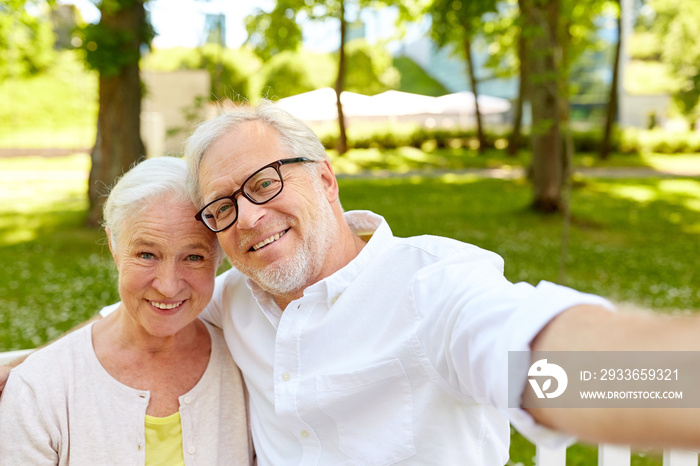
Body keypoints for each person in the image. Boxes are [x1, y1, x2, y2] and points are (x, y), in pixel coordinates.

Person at [2, 101, 699, 464]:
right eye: (224, 207)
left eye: (266, 182)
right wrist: (25, 374)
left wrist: (672, 383)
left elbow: (536, 356)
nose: (249, 217)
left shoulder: (433, 293)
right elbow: (130, 331)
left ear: (326, 177)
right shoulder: (232, 301)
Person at [0, 157, 253, 465]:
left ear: (219, 257)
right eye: (147, 254)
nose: (168, 286)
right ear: (114, 246)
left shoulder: (248, 364)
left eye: (194, 257)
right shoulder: (39, 388)